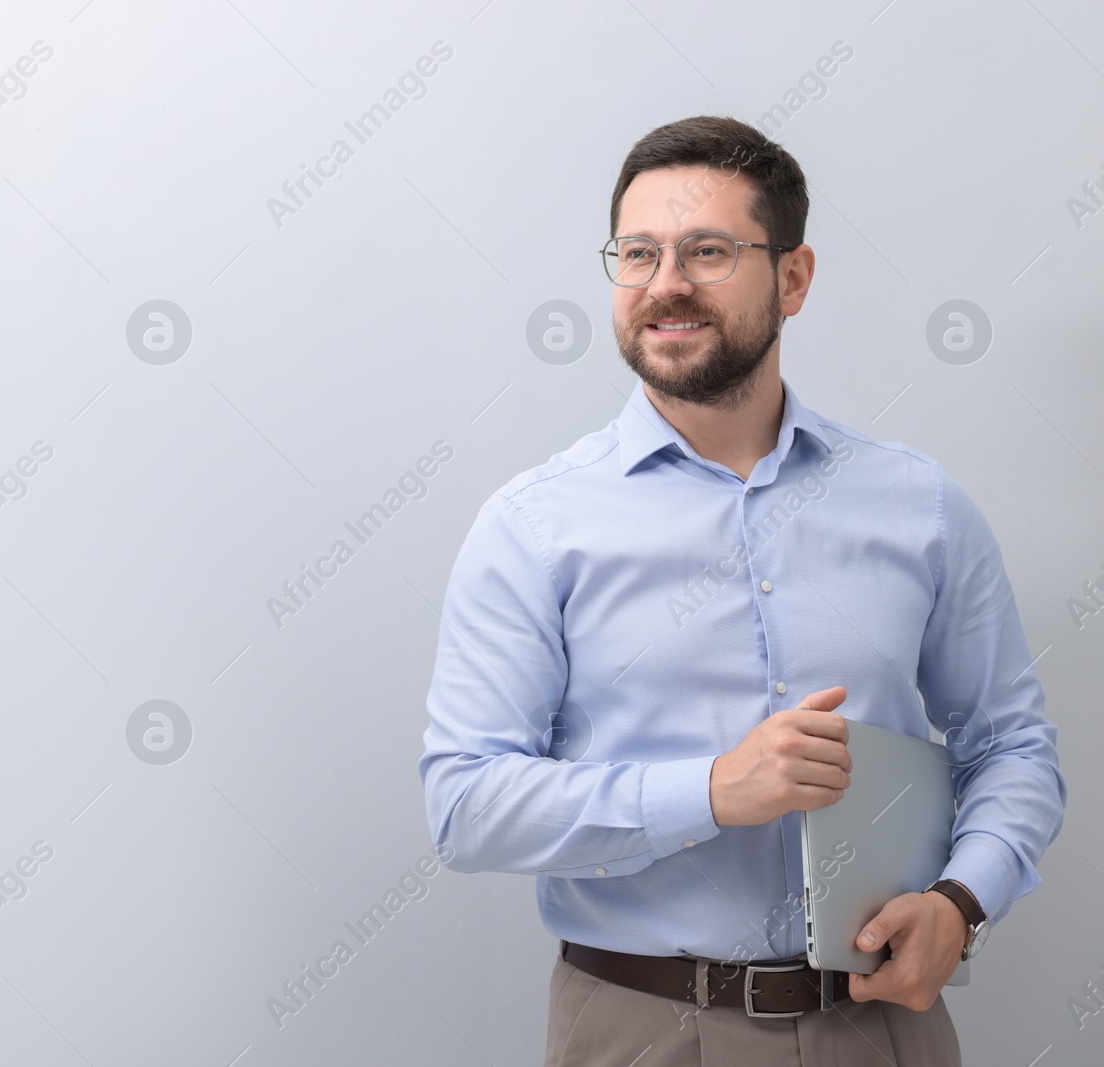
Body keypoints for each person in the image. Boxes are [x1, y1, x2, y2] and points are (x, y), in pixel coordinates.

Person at [417, 115, 1066, 1066]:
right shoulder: (532, 527)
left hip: (884, 1024)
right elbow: (466, 804)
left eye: (708, 251)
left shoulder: (921, 506)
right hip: (640, 1027)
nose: (665, 283)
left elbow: (1011, 745)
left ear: (793, 277)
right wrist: (713, 790)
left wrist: (961, 904)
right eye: (638, 253)